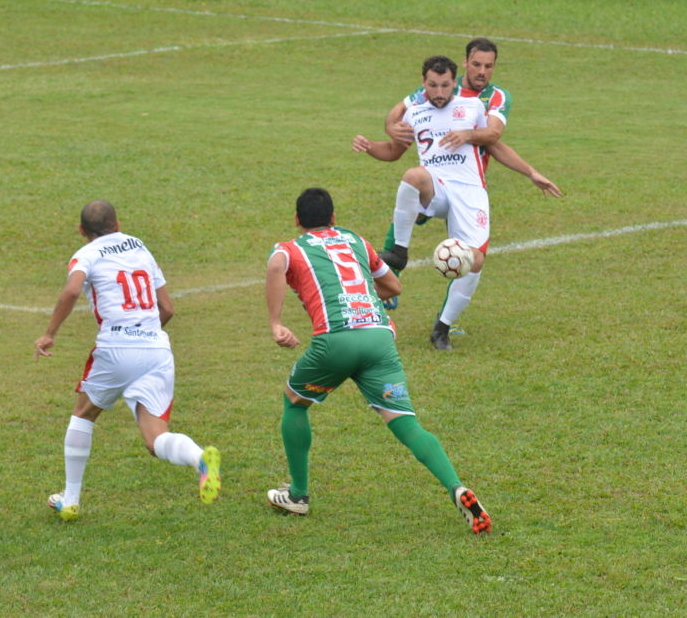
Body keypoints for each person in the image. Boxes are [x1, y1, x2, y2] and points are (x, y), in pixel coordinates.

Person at [264, 187, 491, 534]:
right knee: (405, 421)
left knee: (294, 402)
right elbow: (392, 287)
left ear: (297, 221)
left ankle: (298, 494)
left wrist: (276, 323)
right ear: (334, 218)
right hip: (380, 339)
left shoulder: (290, 248)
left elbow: (277, 265)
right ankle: (456, 486)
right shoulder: (354, 240)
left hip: (335, 341)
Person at [352, 52, 558, 350]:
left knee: (475, 261)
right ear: (423, 84)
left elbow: (495, 144)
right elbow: (394, 151)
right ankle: (398, 253)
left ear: (454, 84)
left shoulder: (472, 107)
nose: (439, 93)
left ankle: (441, 328)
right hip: (436, 188)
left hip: (470, 192)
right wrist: (370, 147)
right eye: (433, 86)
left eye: (445, 86)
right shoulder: (415, 111)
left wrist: (531, 173)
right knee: (413, 175)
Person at [34, 200, 221, 522]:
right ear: (117, 224)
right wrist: (144, 337)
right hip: (156, 349)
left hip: (116, 346)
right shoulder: (140, 247)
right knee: (155, 438)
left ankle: (71, 499)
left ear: (81, 231)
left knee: (84, 413)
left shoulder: (85, 255)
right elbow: (169, 309)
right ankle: (198, 457)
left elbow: (71, 291)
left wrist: (50, 333)